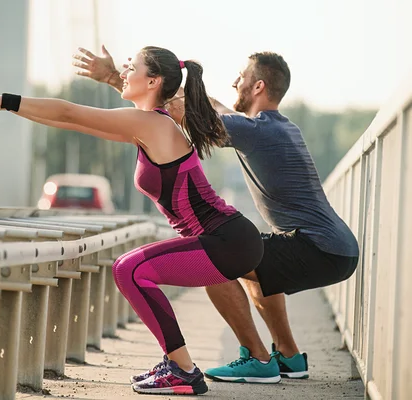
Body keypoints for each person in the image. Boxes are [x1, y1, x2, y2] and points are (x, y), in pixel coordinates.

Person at [0, 46, 266, 395]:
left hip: (227, 239)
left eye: (130, 67)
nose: (123, 72)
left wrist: (3, 101)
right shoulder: (147, 125)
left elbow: (69, 111)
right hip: (229, 240)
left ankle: (183, 370)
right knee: (130, 269)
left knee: (129, 270)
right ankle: (180, 366)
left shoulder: (150, 123)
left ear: (153, 81)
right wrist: (14, 111)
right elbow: (66, 119)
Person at [74, 46, 359, 383]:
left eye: (242, 77)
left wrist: (113, 78)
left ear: (258, 87)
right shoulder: (274, 126)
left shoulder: (256, 131)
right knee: (251, 261)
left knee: (219, 259)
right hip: (334, 247)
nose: (234, 81)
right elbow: (208, 107)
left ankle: (258, 358)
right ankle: (289, 356)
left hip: (322, 247)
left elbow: (170, 112)